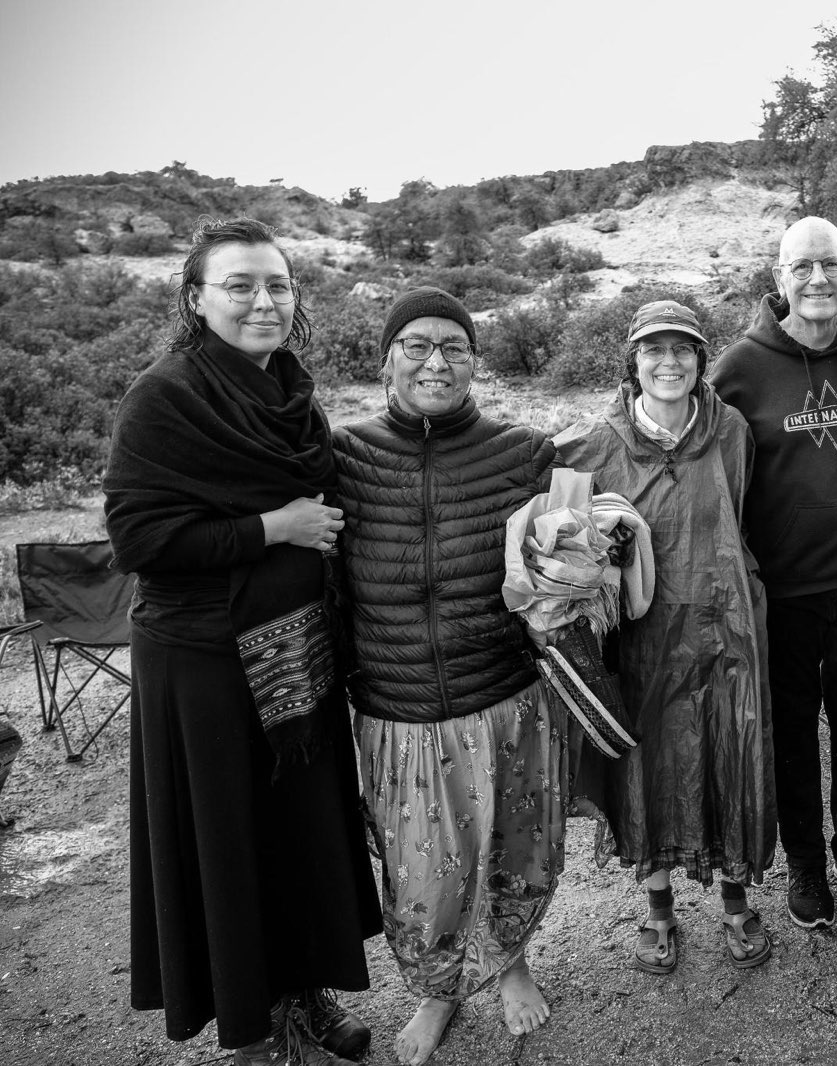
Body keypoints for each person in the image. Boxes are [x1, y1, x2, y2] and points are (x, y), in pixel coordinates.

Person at [104, 217, 380, 1066]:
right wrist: (274, 527)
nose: (264, 301)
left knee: (297, 833)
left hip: (294, 653)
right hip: (204, 661)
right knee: (231, 842)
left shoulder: (291, 391)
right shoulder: (165, 397)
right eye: (240, 285)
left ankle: (306, 995)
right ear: (196, 299)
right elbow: (138, 539)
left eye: (278, 285)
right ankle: (253, 1035)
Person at [332, 287, 565, 1066]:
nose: (436, 361)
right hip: (397, 708)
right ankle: (439, 990)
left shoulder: (522, 452)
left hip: (502, 694)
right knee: (422, 875)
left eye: (454, 347)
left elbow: (557, 558)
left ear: (474, 362)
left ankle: (511, 964)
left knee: (513, 854)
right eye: (417, 345)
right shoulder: (345, 457)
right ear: (386, 361)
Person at [556, 298, 776, 973]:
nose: (669, 362)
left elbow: (742, 514)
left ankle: (735, 902)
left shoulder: (730, 430)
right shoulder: (596, 442)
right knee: (648, 765)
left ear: (701, 360)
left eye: (683, 349)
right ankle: (658, 911)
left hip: (727, 624)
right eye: (654, 349)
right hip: (644, 638)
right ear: (634, 361)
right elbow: (554, 517)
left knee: (731, 751)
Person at [707, 217, 837, 927]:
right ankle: (805, 861)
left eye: (831, 265)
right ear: (779, 278)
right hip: (782, 590)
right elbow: (700, 457)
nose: (818, 279)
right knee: (790, 733)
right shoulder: (740, 369)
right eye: (802, 267)